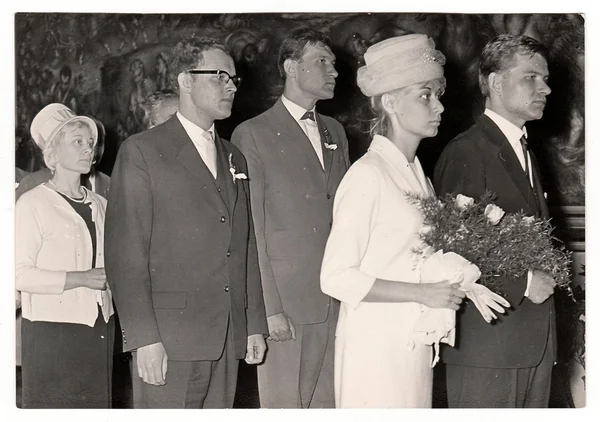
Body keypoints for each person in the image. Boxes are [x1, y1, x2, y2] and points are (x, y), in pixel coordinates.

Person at [320, 34, 487, 408]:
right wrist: (422, 293)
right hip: (376, 348)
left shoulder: (419, 177)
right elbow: (335, 277)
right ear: (391, 102)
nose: (439, 107)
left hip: (412, 342)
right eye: (425, 95)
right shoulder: (368, 174)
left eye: (437, 95)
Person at [105, 35, 268, 409]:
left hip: (228, 336)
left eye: (233, 79)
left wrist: (253, 323)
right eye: (219, 76)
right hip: (170, 339)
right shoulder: (143, 151)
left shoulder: (234, 156)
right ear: (185, 80)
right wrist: (144, 338)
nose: (230, 86)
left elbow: (245, 246)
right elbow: (125, 253)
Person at [433, 34, 556, 408]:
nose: (546, 88)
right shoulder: (467, 151)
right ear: (496, 83)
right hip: (490, 348)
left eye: (545, 78)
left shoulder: (524, 151)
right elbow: (449, 249)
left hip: (530, 344)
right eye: (531, 78)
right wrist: (523, 283)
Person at [231, 28, 350, 408]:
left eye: (333, 62)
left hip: (337, 296)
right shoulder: (253, 134)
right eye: (322, 61)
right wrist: (270, 308)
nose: (334, 70)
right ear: (291, 68)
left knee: (332, 404)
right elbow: (253, 229)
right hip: (289, 305)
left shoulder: (335, 131)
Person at [16, 103, 114, 408]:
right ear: (53, 155)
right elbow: (18, 273)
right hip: (52, 330)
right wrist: (81, 278)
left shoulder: (100, 204)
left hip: (100, 325)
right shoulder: (33, 203)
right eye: (77, 142)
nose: (88, 150)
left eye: (90, 143)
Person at [16, 116, 110, 201]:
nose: (90, 149)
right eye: (78, 141)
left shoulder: (101, 199)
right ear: (53, 152)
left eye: (90, 143)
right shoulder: (31, 190)